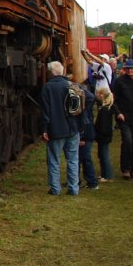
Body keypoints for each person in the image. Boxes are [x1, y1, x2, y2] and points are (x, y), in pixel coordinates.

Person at [39, 60, 81, 195]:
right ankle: (74, 188)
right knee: (73, 160)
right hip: (72, 128)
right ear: (62, 71)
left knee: (53, 160)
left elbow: (45, 111)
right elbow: (78, 109)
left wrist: (44, 129)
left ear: (51, 73)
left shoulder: (47, 87)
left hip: (55, 129)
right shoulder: (72, 85)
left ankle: (55, 189)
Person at [111, 59, 133, 179]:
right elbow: (114, 100)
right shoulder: (119, 82)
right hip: (124, 118)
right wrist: (118, 113)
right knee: (128, 141)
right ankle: (126, 169)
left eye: (132, 68)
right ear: (125, 69)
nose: (130, 70)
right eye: (128, 68)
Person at [77, 81, 98, 190]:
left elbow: (84, 123)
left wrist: (82, 137)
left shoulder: (85, 107)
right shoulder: (84, 107)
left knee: (85, 158)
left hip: (86, 134)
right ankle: (77, 181)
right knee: (81, 158)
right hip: (85, 134)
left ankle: (92, 182)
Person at [94, 86, 118, 181]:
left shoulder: (105, 109)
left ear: (101, 95)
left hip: (103, 136)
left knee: (104, 155)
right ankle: (104, 174)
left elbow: (103, 125)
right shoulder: (107, 108)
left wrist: (98, 133)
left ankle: (108, 175)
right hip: (105, 136)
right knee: (102, 154)